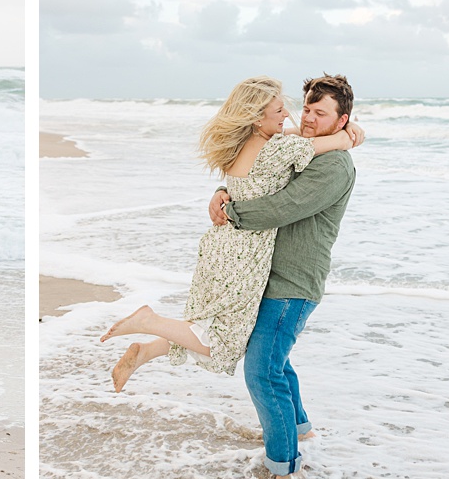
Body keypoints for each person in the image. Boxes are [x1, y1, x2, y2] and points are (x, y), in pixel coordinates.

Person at [102, 76, 361, 397]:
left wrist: (224, 194)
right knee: (225, 344)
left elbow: (279, 155)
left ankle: (148, 350)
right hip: (245, 252)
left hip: (220, 246)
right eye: (291, 109)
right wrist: (347, 135)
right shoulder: (279, 149)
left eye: (317, 113)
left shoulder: (246, 144)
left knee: (216, 326)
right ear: (257, 117)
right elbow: (318, 150)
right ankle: (150, 321)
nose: (294, 117)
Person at [213, 74, 359, 479]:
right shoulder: (302, 148)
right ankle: (300, 429)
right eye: (307, 109)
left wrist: (231, 213)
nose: (310, 119)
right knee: (277, 361)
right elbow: (259, 173)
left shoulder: (333, 163)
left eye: (322, 113)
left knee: (261, 372)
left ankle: (283, 470)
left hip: (293, 283)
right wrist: (224, 190)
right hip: (269, 276)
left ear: (342, 119)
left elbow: (282, 206)